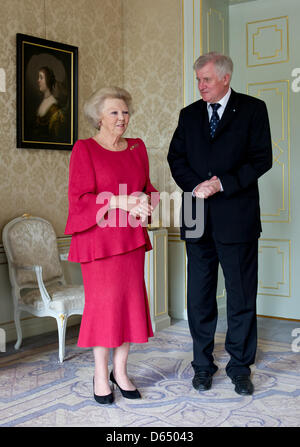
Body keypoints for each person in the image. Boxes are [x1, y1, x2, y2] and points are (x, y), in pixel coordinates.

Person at [167, 52, 272, 395]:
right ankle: (202, 365)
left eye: (207, 80)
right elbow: (175, 158)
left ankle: (240, 367)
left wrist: (221, 182)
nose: (201, 86)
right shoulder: (189, 115)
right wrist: (196, 185)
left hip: (236, 218)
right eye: (198, 79)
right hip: (196, 215)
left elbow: (261, 159)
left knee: (241, 296)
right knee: (199, 297)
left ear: (226, 78)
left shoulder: (254, 109)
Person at [65, 86, 159, 405]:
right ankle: (99, 373)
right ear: (99, 118)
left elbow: (149, 189)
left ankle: (120, 372)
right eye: (114, 112)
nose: (122, 118)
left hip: (130, 240)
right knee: (104, 309)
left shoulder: (137, 147)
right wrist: (121, 200)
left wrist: (147, 201)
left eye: (125, 112)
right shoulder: (84, 149)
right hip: (98, 243)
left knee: (128, 306)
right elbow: (80, 200)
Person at [34, 66, 65, 140]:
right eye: (38, 77)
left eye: (41, 78)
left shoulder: (54, 107)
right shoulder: (42, 102)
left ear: (48, 80)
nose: (38, 80)